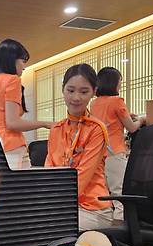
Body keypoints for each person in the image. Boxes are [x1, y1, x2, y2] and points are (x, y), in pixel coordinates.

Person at [45, 64, 114, 231]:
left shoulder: (97, 129)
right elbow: (48, 173)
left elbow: (81, 179)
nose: (76, 97)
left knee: (47, 229)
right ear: (63, 90)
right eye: (70, 90)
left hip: (93, 209)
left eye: (84, 92)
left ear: (93, 92)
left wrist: (52, 208)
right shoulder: (56, 129)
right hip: (64, 206)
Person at [0, 39, 52, 169]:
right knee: (20, 187)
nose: (24, 66)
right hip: (11, 146)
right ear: (12, 59)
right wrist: (44, 123)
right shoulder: (12, 80)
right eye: (23, 61)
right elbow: (12, 123)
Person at [90, 67, 146, 220]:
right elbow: (132, 128)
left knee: (106, 193)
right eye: (120, 81)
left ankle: (107, 225)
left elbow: (109, 120)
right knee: (119, 193)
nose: (120, 85)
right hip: (115, 152)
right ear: (113, 82)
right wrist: (142, 119)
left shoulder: (94, 104)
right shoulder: (117, 101)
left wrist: (128, 115)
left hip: (98, 155)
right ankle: (120, 227)